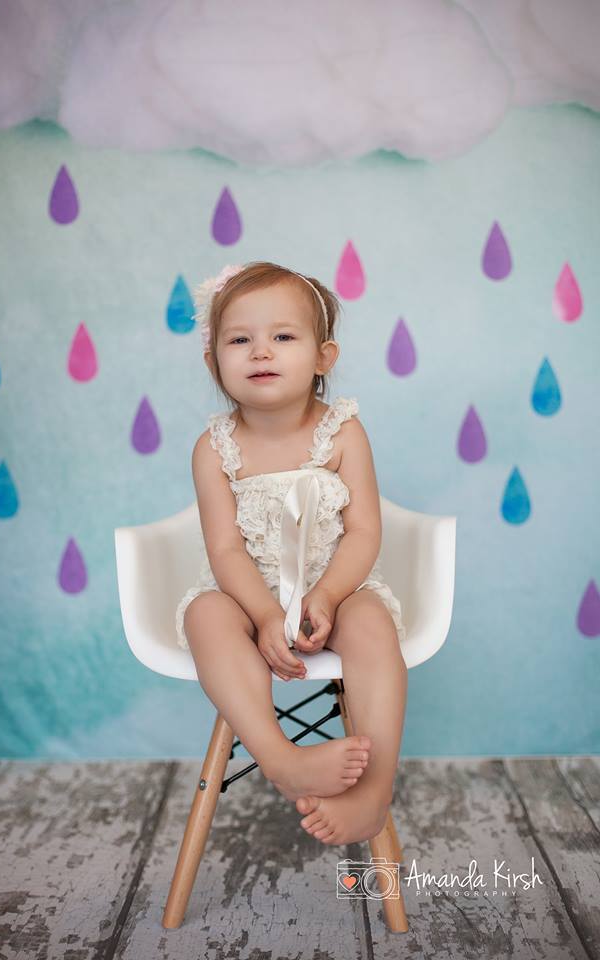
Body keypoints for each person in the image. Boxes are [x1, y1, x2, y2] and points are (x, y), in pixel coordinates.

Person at [175, 260, 408, 845]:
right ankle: (282, 758)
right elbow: (226, 549)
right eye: (239, 340)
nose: (261, 352)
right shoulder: (214, 449)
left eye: (282, 336)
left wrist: (326, 594)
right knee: (204, 613)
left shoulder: (342, 434)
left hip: (336, 589)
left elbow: (363, 533)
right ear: (214, 362)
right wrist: (263, 616)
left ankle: (374, 788)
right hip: (249, 597)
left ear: (323, 357)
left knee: (373, 623)